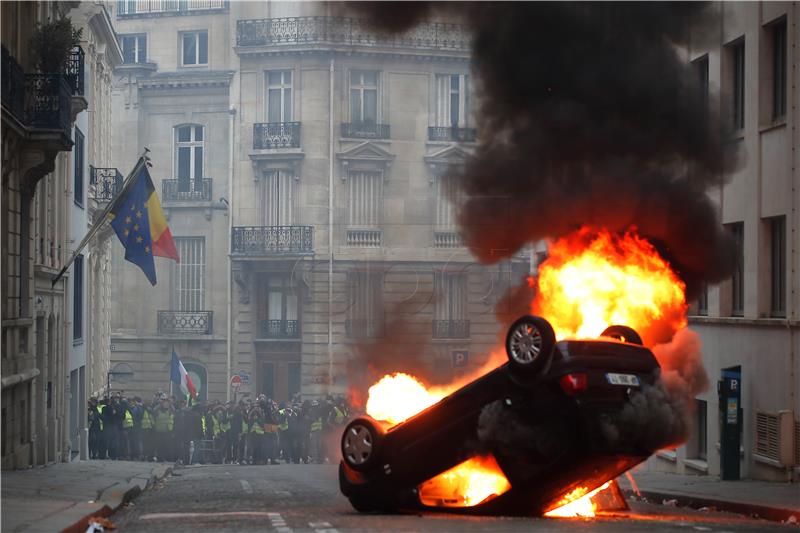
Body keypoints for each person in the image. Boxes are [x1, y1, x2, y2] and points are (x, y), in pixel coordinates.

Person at [153, 397, 174, 462]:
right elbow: (154, 412)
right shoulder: (157, 410)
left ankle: (165, 458)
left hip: (167, 431)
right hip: (158, 431)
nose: (166, 404)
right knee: (160, 446)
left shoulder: (169, 410)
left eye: (166, 403)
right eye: (164, 402)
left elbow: (173, 411)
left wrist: (170, 404)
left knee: (166, 445)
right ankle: (160, 458)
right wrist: (160, 404)